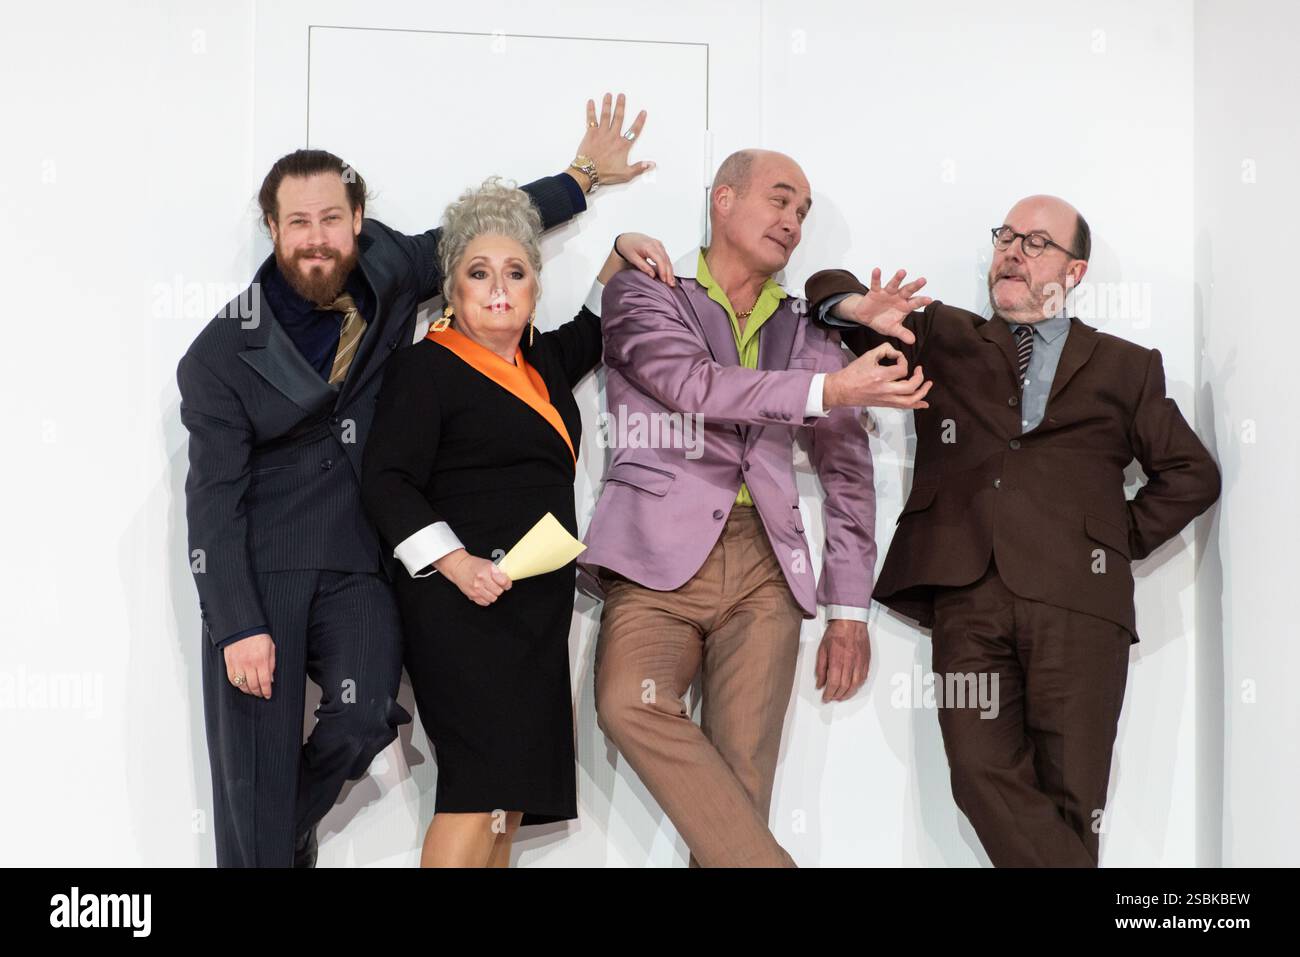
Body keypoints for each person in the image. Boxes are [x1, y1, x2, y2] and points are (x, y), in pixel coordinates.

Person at [178, 93, 654, 867]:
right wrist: (235, 622)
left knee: (366, 721)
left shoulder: (395, 267)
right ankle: (267, 836)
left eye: (331, 218)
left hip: (363, 565)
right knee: (255, 776)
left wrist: (582, 176)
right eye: (297, 223)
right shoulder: (219, 354)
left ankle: (273, 832)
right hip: (268, 567)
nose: (315, 239)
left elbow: (486, 235)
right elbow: (212, 498)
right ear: (272, 230)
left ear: (356, 219)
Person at [806, 194, 1222, 866]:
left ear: (1074, 271)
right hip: (969, 594)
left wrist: (1105, 543)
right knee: (978, 777)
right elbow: (821, 289)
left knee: (1071, 798)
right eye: (1005, 237)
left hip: (1081, 605)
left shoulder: (1125, 365)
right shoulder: (941, 334)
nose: (1012, 251)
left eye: (1035, 242)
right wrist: (859, 308)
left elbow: (1192, 473)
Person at [582, 148, 934, 866]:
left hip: (767, 566)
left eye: (802, 211)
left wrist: (848, 609)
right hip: (654, 557)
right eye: (780, 200)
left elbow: (846, 471)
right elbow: (692, 383)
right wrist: (827, 391)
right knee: (626, 701)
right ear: (723, 200)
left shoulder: (811, 328)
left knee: (742, 780)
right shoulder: (648, 293)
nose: (793, 221)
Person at [360, 176, 672, 867]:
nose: (498, 287)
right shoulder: (424, 368)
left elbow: (594, 325)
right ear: (453, 288)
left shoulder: (545, 366)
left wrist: (619, 250)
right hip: (458, 603)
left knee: (507, 803)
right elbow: (386, 481)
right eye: (479, 272)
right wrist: (456, 563)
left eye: (516, 271)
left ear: (534, 286)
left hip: (533, 605)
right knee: (474, 793)